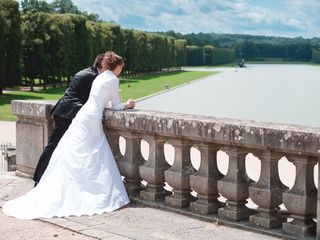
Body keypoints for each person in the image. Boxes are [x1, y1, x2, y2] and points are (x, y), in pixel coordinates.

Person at [2, 51, 135, 219]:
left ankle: (49, 181)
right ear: (117, 65)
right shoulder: (112, 79)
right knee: (89, 152)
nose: (121, 70)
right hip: (84, 116)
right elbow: (115, 105)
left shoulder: (99, 76)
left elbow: (101, 99)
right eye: (121, 67)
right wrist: (127, 104)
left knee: (71, 151)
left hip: (81, 115)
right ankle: (83, 188)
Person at [33, 53, 105, 186]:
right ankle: (39, 178)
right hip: (69, 114)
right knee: (54, 147)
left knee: (55, 147)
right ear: (102, 65)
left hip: (63, 111)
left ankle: (41, 178)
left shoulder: (85, 72)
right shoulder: (95, 77)